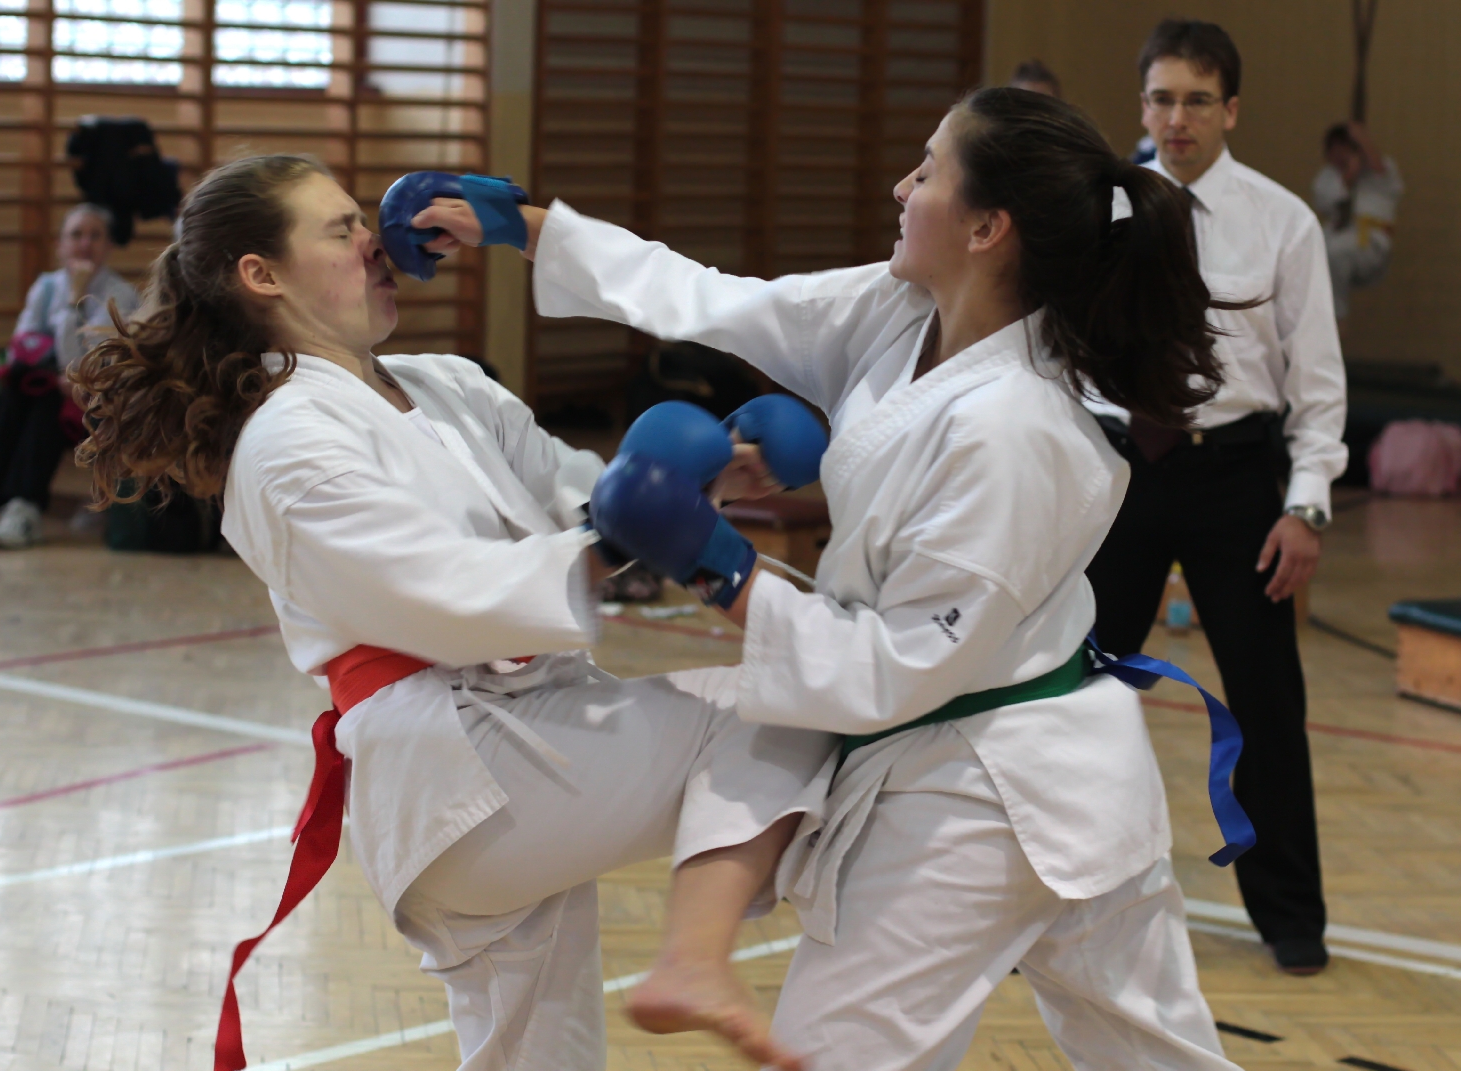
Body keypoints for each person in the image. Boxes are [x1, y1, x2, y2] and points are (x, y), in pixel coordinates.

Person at [419, 86, 1247, 1069]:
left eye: (927, 170)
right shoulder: (903, 313)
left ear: (986, 228)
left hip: (985, 786)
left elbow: (892, 668)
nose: (901, 186)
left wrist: (719, 566)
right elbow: (718, 300)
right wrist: (527, 228)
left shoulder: (1017, 431)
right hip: (1041, 773)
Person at [68, 155, 835, 1071]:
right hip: (457, 768)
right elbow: (443, 594)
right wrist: (623, 529)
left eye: (363, 219)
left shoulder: (447, 384)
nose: (374, 240)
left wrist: (714, 475)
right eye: (341, 229)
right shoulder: (284, 440)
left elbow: (579, 496)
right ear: (261, 274)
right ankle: (695, 958)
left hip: (523, 746)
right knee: (778, 708)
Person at [1087, 18, 1347, 975]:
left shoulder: (1284, 221)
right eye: (1162, 99)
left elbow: (1318, 384)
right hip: (1116, 471)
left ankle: (1290, 913)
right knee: (1077, 688)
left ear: (1231, 109)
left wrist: (1305, 505)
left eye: (1198, 100)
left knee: (1268, 698)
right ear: (1142, 104)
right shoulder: (1099, 211)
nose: (1178, 119)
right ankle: (1055, 897)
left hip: (1234, 478)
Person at [0, 204, 139, 547]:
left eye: (95, 236)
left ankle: (23, 508)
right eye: (76, 235)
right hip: (45, 392)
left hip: (96, 402)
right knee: (20, 394)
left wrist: (74, 302)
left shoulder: (120, 295)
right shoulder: (44, 287)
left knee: (48, 399)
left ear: (108, 246)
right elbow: (20, 349)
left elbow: (81, 364)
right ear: (60, 245)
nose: (85, 243)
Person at [1314, 120, 1403, 320]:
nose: (1339, 154)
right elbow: (1327, 202)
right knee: (1312, 256)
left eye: (1344, 147)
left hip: (1370, 245)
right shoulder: (1326, 178)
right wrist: (1348, 177)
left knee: (1335, 253)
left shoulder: (1379, 172)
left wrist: (1362, 139)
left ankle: (1338, 316)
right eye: (1334, 149)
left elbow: (1381, 170)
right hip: (1338, 238)